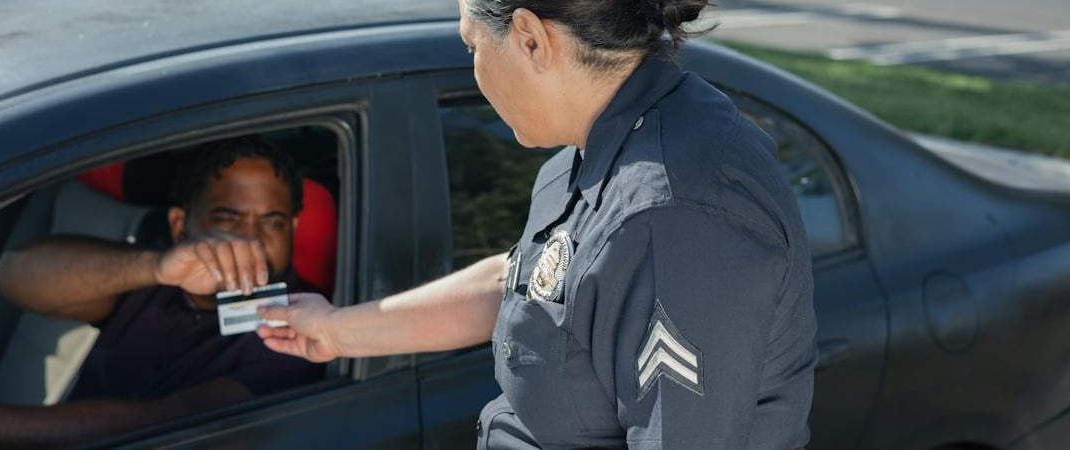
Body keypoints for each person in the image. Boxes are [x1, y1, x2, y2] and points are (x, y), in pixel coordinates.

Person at [257, 0, 817, 449]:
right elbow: (532, 285)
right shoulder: (605, 145)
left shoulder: (672, 214)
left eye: (472, 45)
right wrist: (334, 329)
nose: (472, 67)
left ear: (529, 37)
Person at [0, 137, 323, 449]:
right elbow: (15, 275)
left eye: (273, 222)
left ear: (295, 229)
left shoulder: (302, 325)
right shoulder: (160, 279)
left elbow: (155, 426)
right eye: (227, 218)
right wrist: (156, 267)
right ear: (180, 225)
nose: (249, 240)